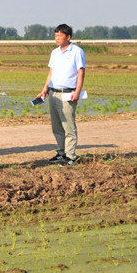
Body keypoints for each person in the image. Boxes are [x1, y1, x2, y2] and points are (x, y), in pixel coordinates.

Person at [37, 24, 86, 166]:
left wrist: (77, 92)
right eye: (55, 35)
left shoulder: (77, 51)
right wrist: (45, 89)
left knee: (68, 125)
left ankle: (70, 156)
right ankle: (61, 153)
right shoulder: (55, 53)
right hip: (53, 93)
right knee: (57, 125)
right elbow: (51, 73)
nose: (57, 38)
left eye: (60, 36)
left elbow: (81, 72)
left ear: (68, 37)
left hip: (68, 93)